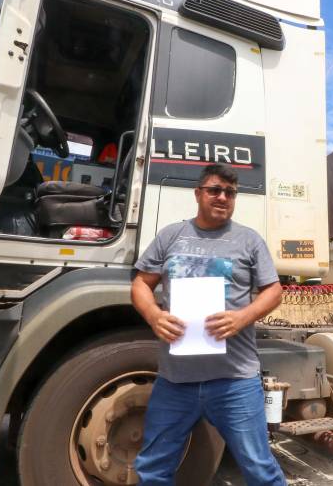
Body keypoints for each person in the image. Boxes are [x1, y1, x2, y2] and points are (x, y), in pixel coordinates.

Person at [132, 163, 286, 486]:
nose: (222, 197)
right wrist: (154, 315)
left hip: (235, 382)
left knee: (261, 470)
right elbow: (140, 284)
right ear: (198, 193)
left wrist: (242, 317)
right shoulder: (171, 235)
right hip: (176, 381)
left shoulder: (249, 240)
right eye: (214, 190)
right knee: (153, 470)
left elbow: (274, 291)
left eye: (230, 192)